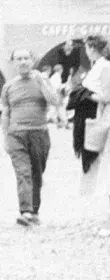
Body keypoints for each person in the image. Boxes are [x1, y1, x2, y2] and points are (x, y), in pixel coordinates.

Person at [78, 35, 110, 236]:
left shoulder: (106, 67)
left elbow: (108, 97)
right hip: (105, 117)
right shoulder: (101, 66)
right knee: (108, 167)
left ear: (92, 48)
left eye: (87, 48)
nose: (86, 51)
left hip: (109, 118)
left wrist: (84, 95)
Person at [2, 49, 59, 226]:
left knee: (37, 174)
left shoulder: (42, 80)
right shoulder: (8, 87)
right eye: (19, 59)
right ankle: (25, 211)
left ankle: (34, 211)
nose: (23, 62)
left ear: (32, 60)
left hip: (39, 133)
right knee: (23, 172)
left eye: (26, 58)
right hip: (16, 135)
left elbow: (55, 100)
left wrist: (42, 81)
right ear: (13, 63)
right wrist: (5, 137)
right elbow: (5, 113)